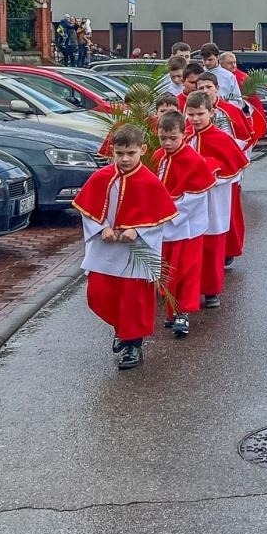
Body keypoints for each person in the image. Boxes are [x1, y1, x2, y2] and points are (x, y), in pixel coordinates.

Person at [73, 124, 179, 370]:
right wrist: (102, 229)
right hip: (106, 250)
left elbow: (162, 217)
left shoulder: (149, 182)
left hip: (136, 253)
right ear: (112, 152)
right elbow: (87, 210)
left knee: (134, 301)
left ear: (142, 150)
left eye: (130, 153)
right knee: (99, 294)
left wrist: (137, 229)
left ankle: (132, 345)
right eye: (120, 154)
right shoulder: (101, 178)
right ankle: (121, 329)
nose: (125, 159)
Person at [149, 111, 218, 338]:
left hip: (187, 226)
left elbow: (195, 196)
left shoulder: (193, 160)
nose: (167, 143)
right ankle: (171, 311)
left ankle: (183, 313)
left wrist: (171, 213)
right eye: (163, 138)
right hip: (165, 226)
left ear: (183, 134)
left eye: (173, 138)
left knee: (187, 270)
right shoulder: (159, 157)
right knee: (168, 271)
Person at [184, 89, 249, 310]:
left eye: (200, 114)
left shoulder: (222, 139)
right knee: (188, 247)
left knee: (211, 247)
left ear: (211, 113)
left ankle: (211, 290)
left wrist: (209, 169)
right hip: (189, 202)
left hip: (213, 201)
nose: (195, 119)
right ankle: (187, 291)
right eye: (191, 114)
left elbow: (234, 171)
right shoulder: (183, 136)